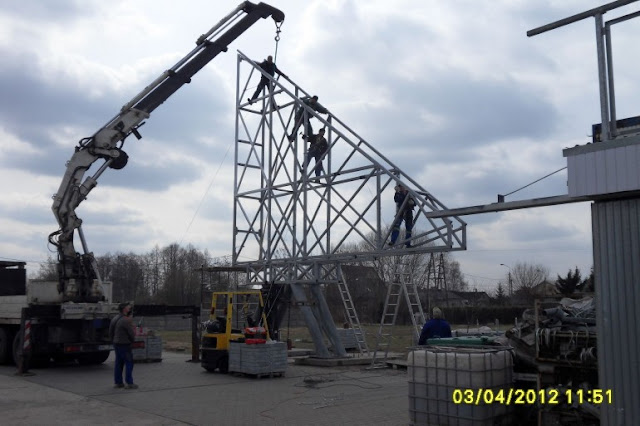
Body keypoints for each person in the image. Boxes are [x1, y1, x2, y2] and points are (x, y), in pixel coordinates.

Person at [109, 302, 138, 389]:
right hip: (124, 344)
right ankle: (129, 383)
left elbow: (111, 332)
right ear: (124, 309)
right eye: (128, 307)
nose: (130, 309)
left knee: (119, 363)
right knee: (129, 363)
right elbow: (131, 334)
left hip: (116, 343)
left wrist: (113, 340)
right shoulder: (126, 320)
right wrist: (132, 340)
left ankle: (118, 382)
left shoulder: (115, 318)